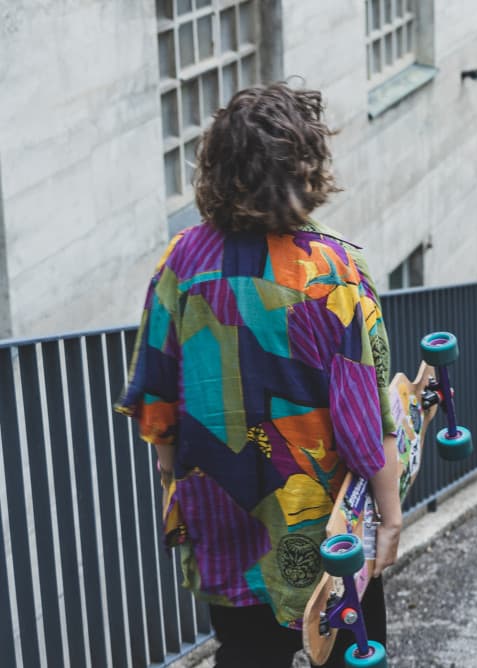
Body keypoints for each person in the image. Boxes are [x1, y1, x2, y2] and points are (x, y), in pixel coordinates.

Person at [115, 83, 402, 667]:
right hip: (325, 526)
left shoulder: (181, 262)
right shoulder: (334, 271)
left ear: (216, 168)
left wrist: (176, 484)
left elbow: (157, 402)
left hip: (220, 509)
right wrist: (390, 515)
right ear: (306, 170)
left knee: (245, 653)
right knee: (352, 649)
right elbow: (364, 426)